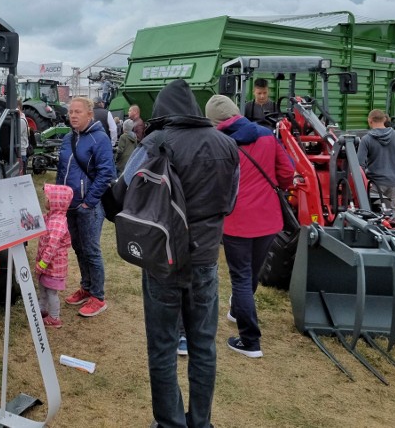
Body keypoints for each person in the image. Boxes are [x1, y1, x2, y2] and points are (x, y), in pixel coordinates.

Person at [122, 79, 239, 428]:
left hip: (163, 258)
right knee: (203, 345)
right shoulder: (227, 144)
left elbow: (125, 186)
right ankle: (201, 422)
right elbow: (230, 202)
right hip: (205, 259)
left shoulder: (155, 142)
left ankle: (170, 423)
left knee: (162, 346)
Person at [205, 95, 295, 359]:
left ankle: (250, 340)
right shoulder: (267, 135)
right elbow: (287, 174)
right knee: (252, 273)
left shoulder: (218, 143)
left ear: (214, 120)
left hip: (236, 220)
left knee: (241, 278)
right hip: (268, 219)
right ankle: (238, 311)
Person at [56, 96, 116, 318]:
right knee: (78, 249)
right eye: (71, 111)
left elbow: (106, 173)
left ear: (90, 115)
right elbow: (62, 171)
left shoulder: (99, 139)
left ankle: (98, 297)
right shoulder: (67, 138)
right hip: (69, 205)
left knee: (91, 250)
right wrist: (58, 196)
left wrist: (88, 202)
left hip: (88, 206)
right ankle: (86, 287)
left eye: (78, 112)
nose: (73, 115)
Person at [357, 109, 395, 210]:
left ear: (370, 120)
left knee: (373, 215)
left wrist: (362, 183)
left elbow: (360, 165)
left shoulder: (366, 139)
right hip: (394, 184)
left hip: (375, 185)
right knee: (392, 214)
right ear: (384, 119)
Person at [35, 183, 74, 329]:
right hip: (46, 265)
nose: (44, 201)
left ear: (56, 202)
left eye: (47, 198)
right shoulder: (52, 217)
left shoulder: (57, 223)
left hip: (53, 266)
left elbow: (52, 247)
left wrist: (42, 264)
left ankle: (54, 317)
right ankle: (41, 309)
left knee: (51, 292)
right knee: (43, 287)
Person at [17, 98, 30, 174]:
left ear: (18, 107)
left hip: (21, 153)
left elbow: (15, 136)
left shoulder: (21, 121)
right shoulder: (20, 119)